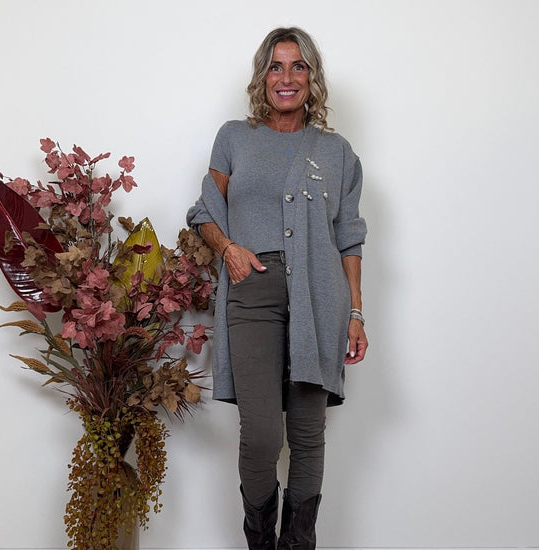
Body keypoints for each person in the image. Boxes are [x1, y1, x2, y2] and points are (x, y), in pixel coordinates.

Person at [187, 26, 368, 549]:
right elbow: (204, 211)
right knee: (263, 435)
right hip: (253, 292)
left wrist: (356, 313)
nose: (286, 78)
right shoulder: (234, 138)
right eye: (275, 66)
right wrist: (229, 249)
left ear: (312, 78)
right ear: (262, 77)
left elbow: (349, 236)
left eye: (298, 66)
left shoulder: (337, 152)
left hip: (321, 297)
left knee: (308, 435)